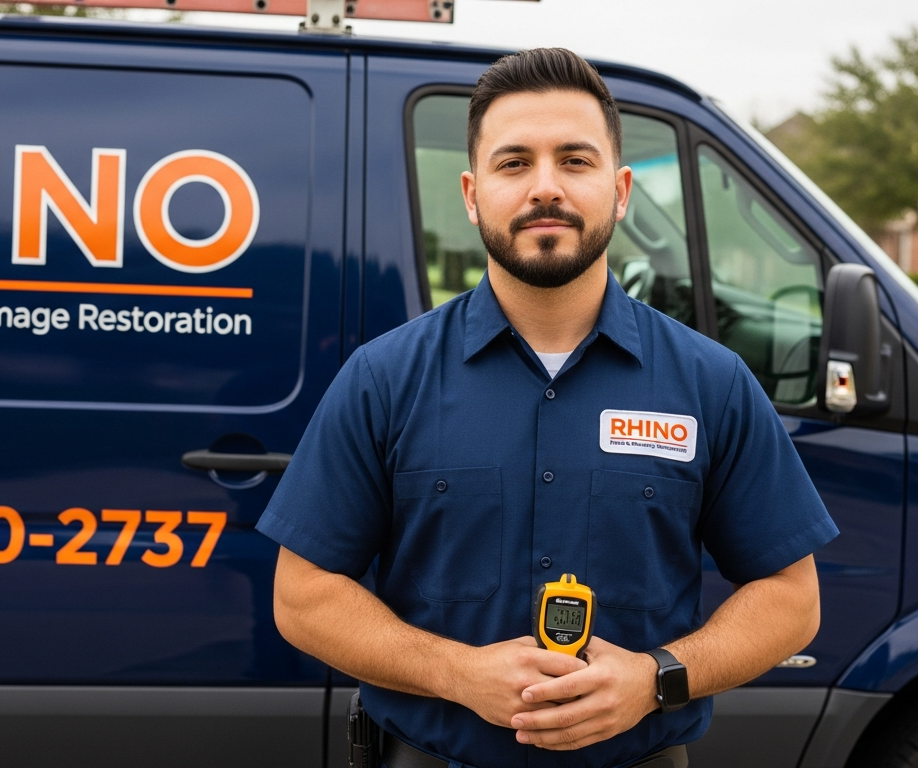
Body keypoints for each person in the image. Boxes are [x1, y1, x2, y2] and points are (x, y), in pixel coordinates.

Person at [256, 47, 838, 768]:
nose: (545, 188)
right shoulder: (384, 378)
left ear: (620, 189)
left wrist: (655, 679)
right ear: (471, 194)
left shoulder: (710, 382)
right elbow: (303, 595)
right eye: (513, 163)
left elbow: (791, 597)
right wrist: (455, 674)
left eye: (574, 160)